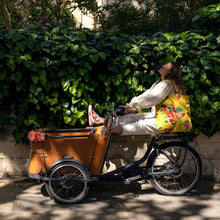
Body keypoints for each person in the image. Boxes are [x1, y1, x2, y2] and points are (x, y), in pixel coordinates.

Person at [88, 62, 184, 136]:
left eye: (166, 65)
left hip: (167, 120)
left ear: (170, 71)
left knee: (142, 124)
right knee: (135, 117)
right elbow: (146, 95)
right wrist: (131, 105)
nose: (163, 65)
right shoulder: (161, 83)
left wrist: (136, 107)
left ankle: (110, 129)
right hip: (160, 116)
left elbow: (153, 98)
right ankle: (100, 120)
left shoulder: (166, 84)